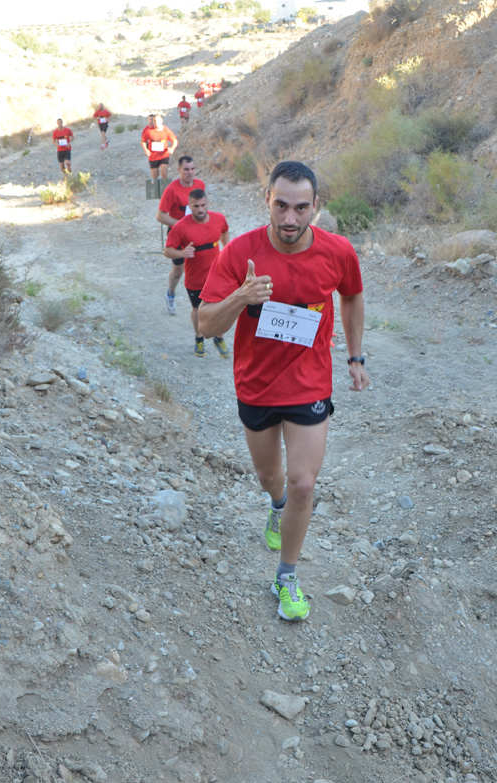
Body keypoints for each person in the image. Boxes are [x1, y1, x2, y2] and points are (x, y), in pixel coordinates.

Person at [198, 161, 369, 622]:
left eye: (300, 208)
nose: (290, 218)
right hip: (256, 383)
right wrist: (241, 297)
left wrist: (355, 357)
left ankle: (287, 575)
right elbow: (206, 323)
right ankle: (276, 506)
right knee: (269, 475)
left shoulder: (337, 251)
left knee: (303, 483)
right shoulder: (239, 253)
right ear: (266, 201)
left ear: (316, 206)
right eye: (281, 206)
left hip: (309, 380)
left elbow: (352, 295)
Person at [164, 189, 231, 358]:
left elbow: (224, 231)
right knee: (197, 309)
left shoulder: (218, 219)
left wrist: (226, 248)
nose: (200, 209)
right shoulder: (181, 227)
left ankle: (219, 337)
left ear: (207, 203)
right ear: (189, 206)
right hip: (194, 278)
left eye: (203, 205)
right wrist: (182, 253)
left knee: (220, 307)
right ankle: (199, 338)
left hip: (216, 275)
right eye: (196, 206)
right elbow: (167, 250)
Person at [156, 156, 206, 316]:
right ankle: (171, 293)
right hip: (178, 235)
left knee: (203, 267)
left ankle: (204, 302)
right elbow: (160, 215)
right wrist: (180, 224)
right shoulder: (171, 190)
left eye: (192, 169)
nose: (190, 172)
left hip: (197, 233)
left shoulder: (200, 185)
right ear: (179, 170)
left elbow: (203, 207)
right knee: (178, 271)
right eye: (186, 169)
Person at [140, 114, 178, 182]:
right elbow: (143, 141)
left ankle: (165, 187)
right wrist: (145, 150)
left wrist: (172, 148)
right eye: (155, 121)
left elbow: (174, 140)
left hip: (163, 155)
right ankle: (155, 188)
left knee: (164, 173)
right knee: (155, 176)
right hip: (153, 156)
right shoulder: (149, 131)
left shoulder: (166, 130)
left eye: (158, 120)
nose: (156, 122)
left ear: (161, 121)